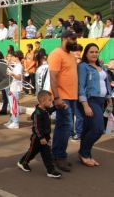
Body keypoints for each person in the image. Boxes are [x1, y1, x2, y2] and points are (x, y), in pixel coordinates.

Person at [48, 30, 78, 172]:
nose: (75, 42)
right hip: (62, 96)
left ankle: (57, 154)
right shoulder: (56, 54)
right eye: (73, 39)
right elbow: (53, 77)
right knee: (66, 126)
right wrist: (57, 97)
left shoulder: (71, 55)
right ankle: (59, 156)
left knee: (62, 126)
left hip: (72, 97)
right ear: (64, 38)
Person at [78, 43, 112, 166]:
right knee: (98, 130)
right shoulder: (83, 66)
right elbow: (81, 86)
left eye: (96, 52)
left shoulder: (101, 67)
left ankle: (86, 154)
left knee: (88, 129)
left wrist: (109, 99)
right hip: (91, 100)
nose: (94, 54)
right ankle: (84, 153)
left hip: (103, 101)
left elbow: (106, 84)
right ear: (86, 54)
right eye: (91, 52)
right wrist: (85, 105)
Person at [17, 90, 63, 178]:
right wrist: (41, 138)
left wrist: (58, 106)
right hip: (37, 138)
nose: (51, 102)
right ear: (42, 101)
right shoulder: (38, 113)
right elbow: (36, 127)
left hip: (45, 137)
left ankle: (50, 170)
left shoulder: (45, 110)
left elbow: (52, 110)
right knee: (33, 152)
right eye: (49, 100)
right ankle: (23, 162)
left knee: (46, 153)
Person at [5, 51, 24, 129]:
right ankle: (13, 121)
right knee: (12, 106)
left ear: (17, 57)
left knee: (14, 106)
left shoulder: (19, 66)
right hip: (13, 87)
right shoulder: (17, 66)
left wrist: (11, 74)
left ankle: (16, 122)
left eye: (13, 56)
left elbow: (19, 77)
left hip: (16, 88)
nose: (11, 58)